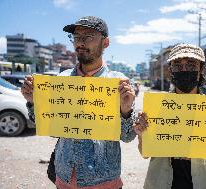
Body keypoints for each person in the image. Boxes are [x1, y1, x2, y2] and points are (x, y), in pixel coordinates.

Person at [21, 16, 136, 189]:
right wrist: (33, 103)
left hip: (103, 181)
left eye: (88, 36)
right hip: (64, 177)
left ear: (105, 43)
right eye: (76, 37)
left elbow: (127, 137)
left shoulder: (119, 83)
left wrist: (126, 111)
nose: (80, 42)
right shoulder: (62, 80)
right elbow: (52, 128)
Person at [134, 43, 206, 189]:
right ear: (171, 70)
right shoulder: (157, 108)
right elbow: (145, 154)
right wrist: (141, 134)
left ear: (201, 69)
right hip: (160, 183)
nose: (184, 70)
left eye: (191, 65)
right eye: (177, 65)